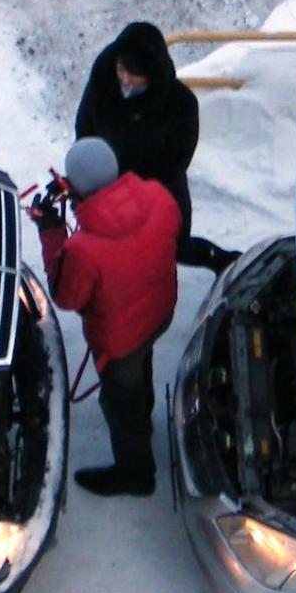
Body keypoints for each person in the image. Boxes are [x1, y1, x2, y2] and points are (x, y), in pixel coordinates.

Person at [31, 137, 180, 497]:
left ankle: (136, 474)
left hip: (120, 341)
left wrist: (52, 235)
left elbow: (66, 296)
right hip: (158, 312)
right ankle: (144, 413)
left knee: (119, 402)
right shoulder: (158, 197)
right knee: (142, 367)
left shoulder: (83, 250)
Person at [75, 21, 240, 274]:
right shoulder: (102, 86)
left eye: (135, 74)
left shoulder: (180, 104)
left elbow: (176, 160)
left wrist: (137, 194)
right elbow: (84, 131)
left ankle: (224, 263)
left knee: (171, 245)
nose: (125, 79)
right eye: (122, 70)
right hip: (106, 190)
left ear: (152, 73)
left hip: (158, 191)